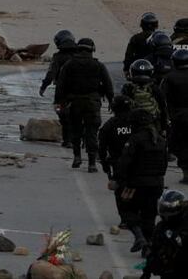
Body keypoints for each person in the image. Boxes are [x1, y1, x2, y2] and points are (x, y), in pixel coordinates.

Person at [117, 108, 169, 255]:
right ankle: (148, 246)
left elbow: (125, 162)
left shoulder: (135, 139)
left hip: (136, 184)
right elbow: (164, 165)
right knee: (149, 215)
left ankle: (139, 237)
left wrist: (121, 181)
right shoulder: (160, 140)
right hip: (156, 183)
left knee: (126, 209)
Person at [58, 38, 115, 171]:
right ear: (92, 50)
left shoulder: (69, 64)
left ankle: (77, 157)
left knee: (76, 130)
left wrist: (60, 102)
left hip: (74, 103)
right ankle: (91, 163)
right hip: (92, 104)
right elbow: (108, 86)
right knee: (92, 132)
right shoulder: (98, 66)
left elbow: (61, 85)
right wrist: (111, 102)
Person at [99, 95, 136, 228]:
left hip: (119, 164)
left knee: (120, 190)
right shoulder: (138, 123)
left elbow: (102, 147)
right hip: (138, 163)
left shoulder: (110, 125)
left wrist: (104, 165)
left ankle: (125, 218)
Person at [41, 30, 79, 148]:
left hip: (62, 92)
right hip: (81, 90)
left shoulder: (58, 57)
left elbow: (51, 73)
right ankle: (77, 139)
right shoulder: (81, 55)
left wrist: (44, 86)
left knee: (63, 115)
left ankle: (68, 140)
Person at [142, 190, 188, 278]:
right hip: (169, 271)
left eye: (167, 209)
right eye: (163, 208)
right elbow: (153, 248)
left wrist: (175, 238)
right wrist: (147, 270)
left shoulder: (185, 224)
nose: (165, 213)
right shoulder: (161, 227)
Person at [161, 49, 188, 184]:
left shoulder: (169, 77)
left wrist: (167, 117)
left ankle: (186, 172)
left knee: (179, 144)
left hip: (178, 117)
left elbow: (163, 98)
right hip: (179, 115)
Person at [123, 59, 168, 134]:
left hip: (133, 126)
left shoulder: (127, 88)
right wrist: (164, 128)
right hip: (154, 125)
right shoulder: (155, 89)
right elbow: (163, 109)